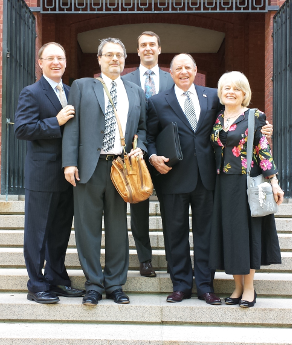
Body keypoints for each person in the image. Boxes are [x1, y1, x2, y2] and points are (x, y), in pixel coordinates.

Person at [146, 54, 273, 304]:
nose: (183, 72)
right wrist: (152, 157)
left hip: (208, 178)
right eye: (178, 68)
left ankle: (205, 286)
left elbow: (237, 115)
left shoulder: (213, 95)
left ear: (195, 70)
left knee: (207, 234)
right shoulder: (157, 101)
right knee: (175, 234)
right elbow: (150, 136)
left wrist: (262, 124)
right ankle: (181, 285)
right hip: (171, 178)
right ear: (170, 73)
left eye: (188, 67)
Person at [62, 38, 147, 306]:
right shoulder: (82, 86)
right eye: (108, 55)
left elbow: (143, 127)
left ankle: (115, 284)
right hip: (89, 166)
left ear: (125, 59)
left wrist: (140, 147)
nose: (114, 59)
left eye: (119, 55)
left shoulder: (135, 91)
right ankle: (93, 284)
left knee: (117, 228)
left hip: (121, 168)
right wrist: (69, 162)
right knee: (87, 229)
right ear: (99, 59)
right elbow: (71, 126)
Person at [14, 42, 84, 304]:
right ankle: (36, 284)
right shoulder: (31, 92)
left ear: (65, 63)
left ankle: (57, 279)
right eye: (51, 58)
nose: (56, 62)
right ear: (40, 63)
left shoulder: (70, 91)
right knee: (38, 232)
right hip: (42, 175)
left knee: (60, 231)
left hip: (68, 174)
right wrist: (56, 121)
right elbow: (22, 129)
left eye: (61, 58)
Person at [209, 71, 283, 308]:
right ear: (220, 92)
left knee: (246, 235)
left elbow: (263, 150)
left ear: (244, 93)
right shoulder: (218, 118)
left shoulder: (254, 116)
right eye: (226, 88)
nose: (231, 92)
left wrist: (274, 181)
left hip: (246, 183)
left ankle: (249, 288)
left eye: (236, 88)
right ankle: (237, 286)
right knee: (230, 235)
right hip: (222, 184)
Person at [122, 31, 174, 277]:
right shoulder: (125, 79)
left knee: (172, 209)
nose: (148, 48)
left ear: (159, 49)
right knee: (139, 211)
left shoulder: (172, 78)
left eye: (152, 44)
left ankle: (176, 258)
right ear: (138, 50)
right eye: (143, 45)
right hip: (136, 153)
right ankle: (145, 260)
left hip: (167, 155)